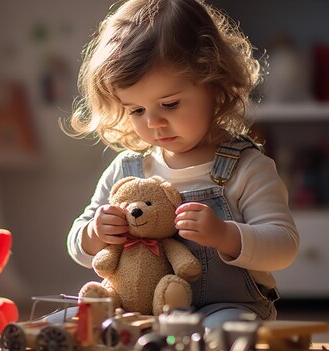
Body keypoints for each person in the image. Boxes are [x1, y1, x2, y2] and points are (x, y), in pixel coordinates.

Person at [64, 0, 299, 328]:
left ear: (214, 85)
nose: (154, 123)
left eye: (170, 104)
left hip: (225, 309)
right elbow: (77, 243)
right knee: (87, 327)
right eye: (136, 110)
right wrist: (95, 232)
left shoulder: (247, 169)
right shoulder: (127, 172)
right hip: (144, 314)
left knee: (224, 335)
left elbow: (284, 245)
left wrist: (225, 235)